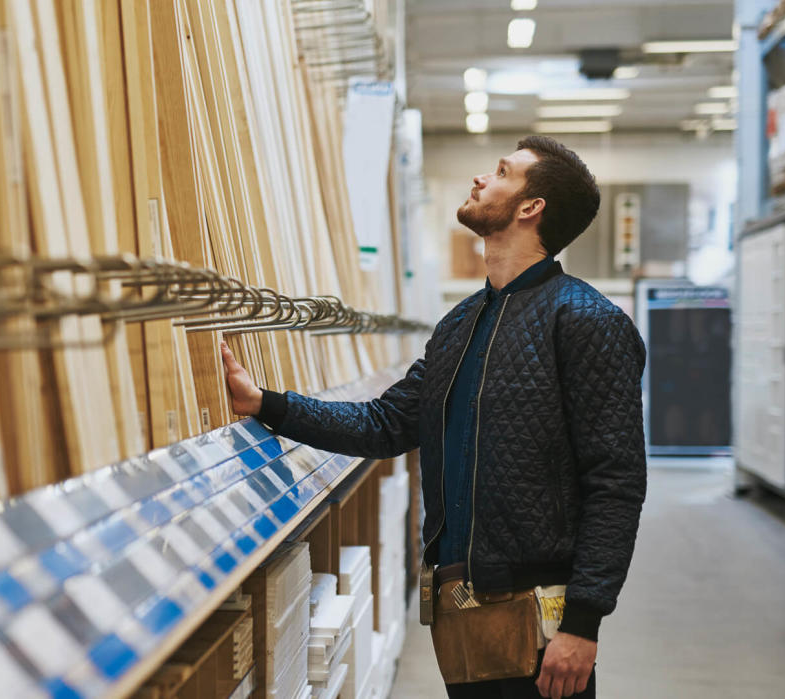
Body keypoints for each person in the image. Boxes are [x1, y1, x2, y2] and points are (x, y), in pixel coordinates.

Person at [220, 136, 646, 699]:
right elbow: (385, 423)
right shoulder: (460, 325)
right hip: (462, 606)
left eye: (500, 172)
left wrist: (583, 623)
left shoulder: (587, 320)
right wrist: (265, 404)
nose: (479, 179)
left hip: (540, 618)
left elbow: (615, 481)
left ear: (530, 207)